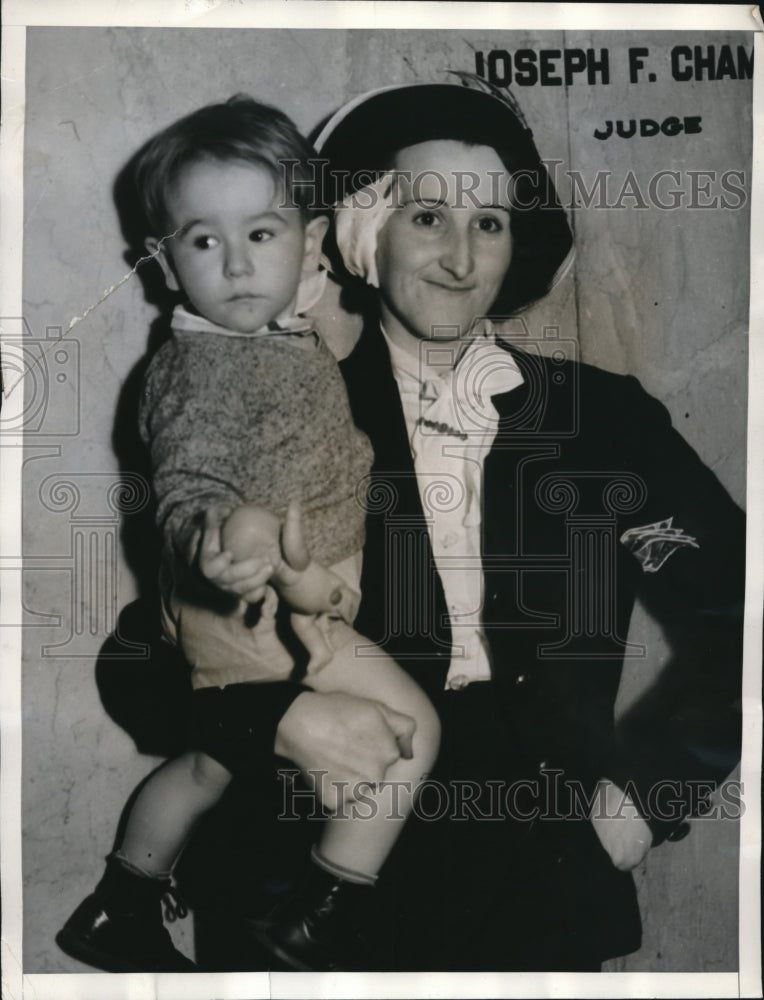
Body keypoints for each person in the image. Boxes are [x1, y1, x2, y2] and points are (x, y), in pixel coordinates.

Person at [195, 78, 745, 971]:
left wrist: (650, 793)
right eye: (427, 219)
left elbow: (743, 611)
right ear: (361, 233)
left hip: (538, 871)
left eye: (488, 222)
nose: (460, 258)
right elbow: (144, 656)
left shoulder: (602, 421)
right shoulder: (275, 406)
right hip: (306, 878)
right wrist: (273, 724)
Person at [56, 94, 440, 974]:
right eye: (203, 241)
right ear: (162, 262)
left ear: (308, 245)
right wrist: (214, 541)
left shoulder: (271, 339)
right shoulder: (200, 368)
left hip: (282, 611)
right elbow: (188, 479)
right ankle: (322, 908)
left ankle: (120, 904)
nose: (234, 265)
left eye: (260, 235)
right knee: (410, 727)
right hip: (268, 614)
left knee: (206, 768)